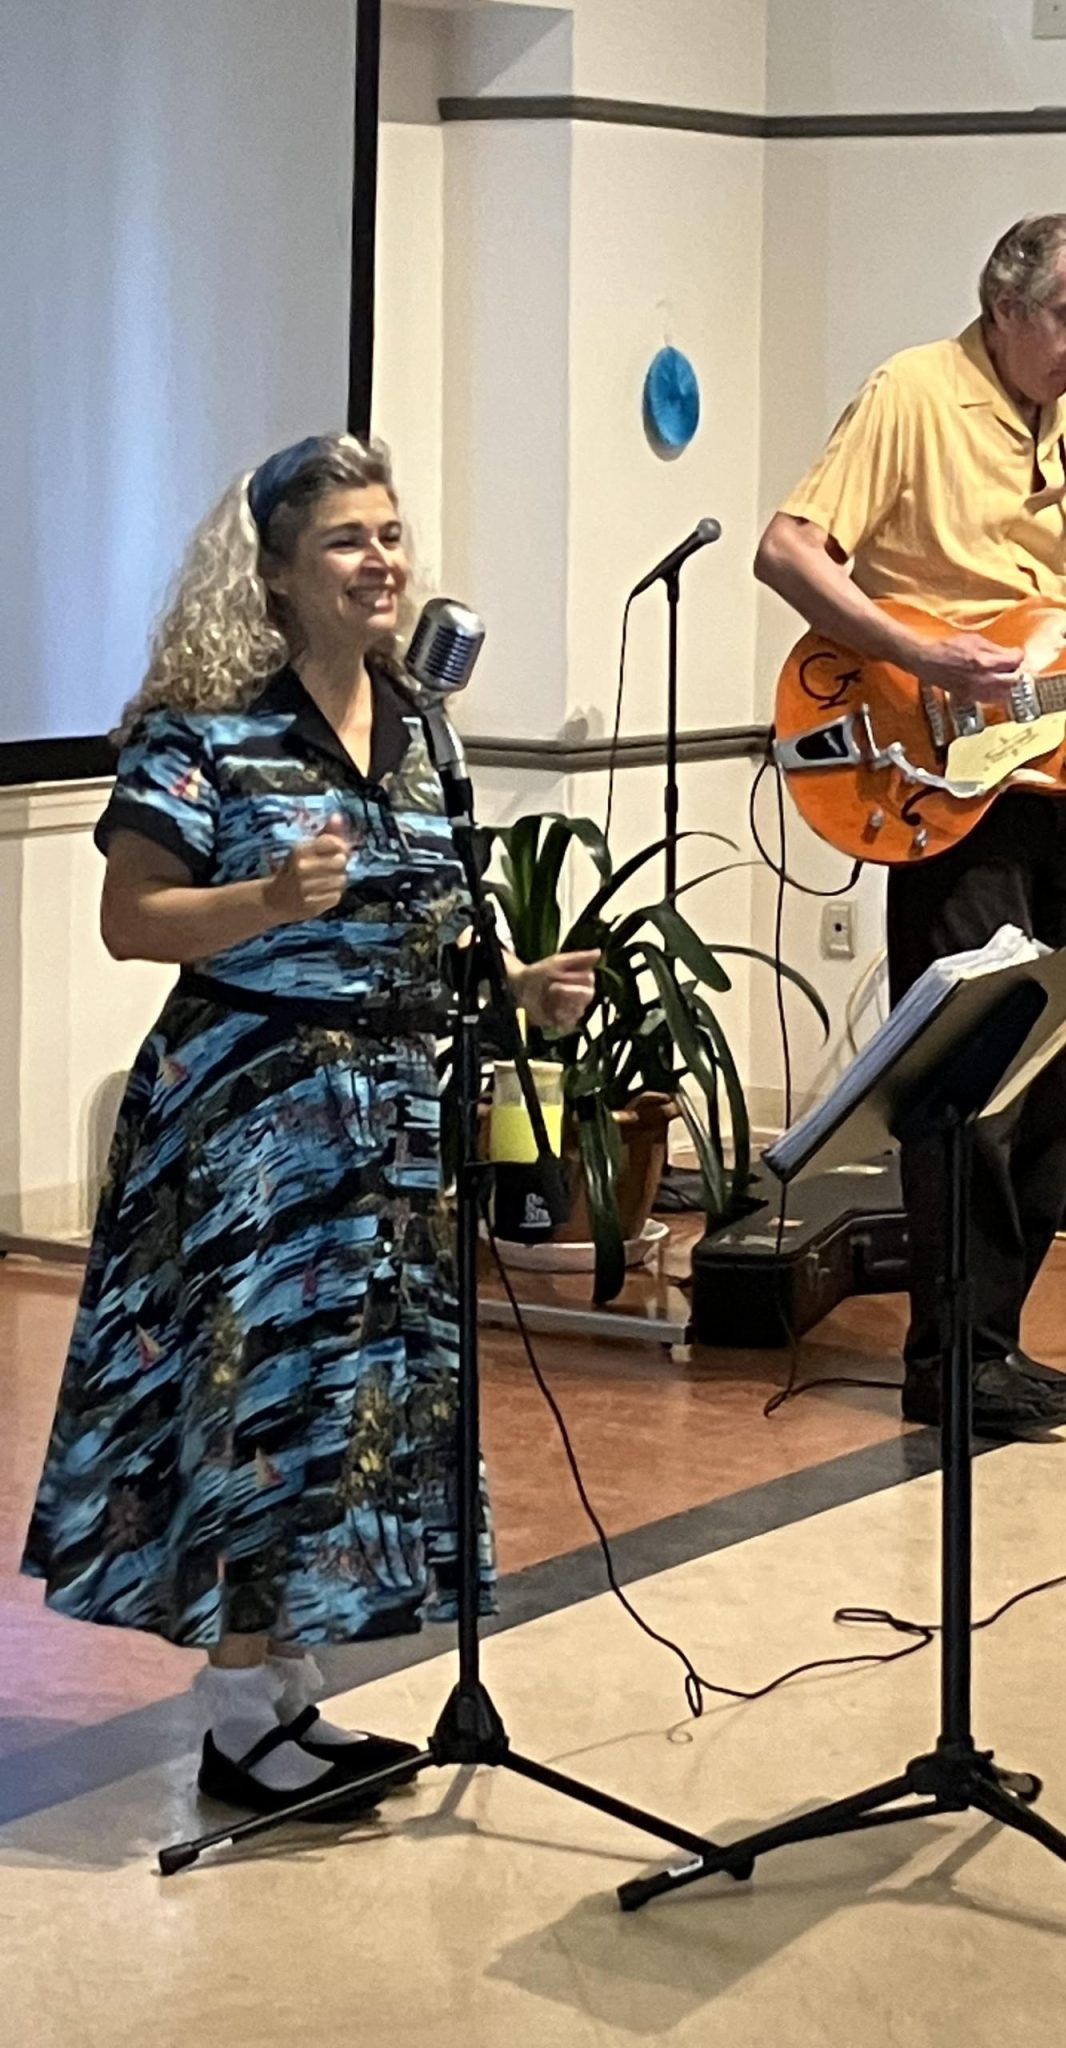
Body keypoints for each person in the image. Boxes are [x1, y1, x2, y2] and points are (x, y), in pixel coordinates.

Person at [22, 433, 597, 1817]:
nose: (381, 559)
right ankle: (234, 1720)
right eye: (347, 538)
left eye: (390, 533)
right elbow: (130, 920)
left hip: (393, 1127)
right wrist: (268, 900)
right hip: (252, 1126)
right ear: (274, 573)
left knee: (353, 1406)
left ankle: (285, 1693)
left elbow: (428, 913)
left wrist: (518, 985)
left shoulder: (420, 726)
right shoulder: (206, 733)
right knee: (260, 1402)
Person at [757, 214, 1066, 1439]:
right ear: (1004, 307)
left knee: (1059, 1089)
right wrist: (916, 650)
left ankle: (990, 1339)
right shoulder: (912, 392)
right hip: (930, 777)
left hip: (1044, 775)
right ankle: (950, 1357)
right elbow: (787, 551)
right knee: (972, 1081)